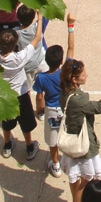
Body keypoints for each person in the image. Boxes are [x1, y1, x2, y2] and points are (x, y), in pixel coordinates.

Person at [58, 58, 101, 202]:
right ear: (74, 79)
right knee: (86, 180)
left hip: (72, 141)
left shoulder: (65, 92)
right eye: (83, 74)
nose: (87, 75)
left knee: (74, 177)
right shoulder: (78, 100)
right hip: (82, 146)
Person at [0, 9, 42, 160]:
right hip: (21, 94)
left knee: (6, 121)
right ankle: (29, 147)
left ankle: (7, 144)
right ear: (15, 44)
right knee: (26, 122)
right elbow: (37, 38)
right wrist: (40, 16)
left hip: (5, 95)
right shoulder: (19, 58)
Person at [33, 12, 76, 178]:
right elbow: (71, 48)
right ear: (60, 62)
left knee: (53, 139)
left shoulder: (41, 78)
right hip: (65, 107)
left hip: (50, 109)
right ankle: (67, 159)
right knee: (66, 133)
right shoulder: (65, 72)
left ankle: (55, 164)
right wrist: (70, 26)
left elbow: (39, 96)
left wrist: (39, 110)